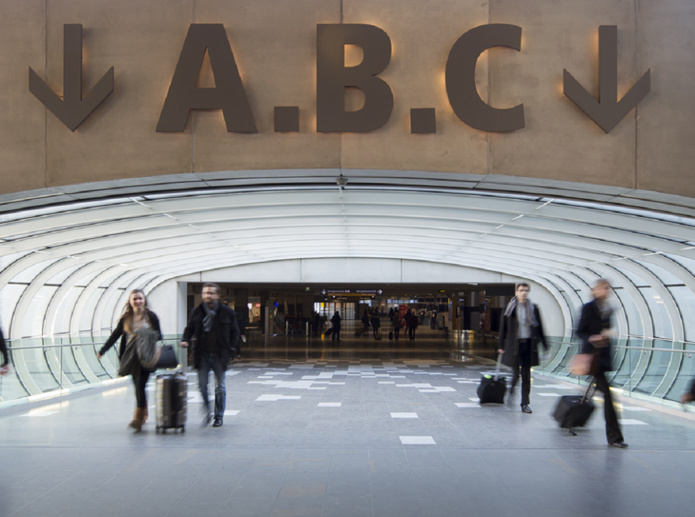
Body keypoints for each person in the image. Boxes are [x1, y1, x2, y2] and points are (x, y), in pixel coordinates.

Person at [97, 289, 162, 431]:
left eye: (140, 298)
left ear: (144, 300)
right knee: (138, 386)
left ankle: (138, 418)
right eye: (135, 299)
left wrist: (144, 335)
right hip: (131, 358)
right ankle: (143, 409)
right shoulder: (126, 318)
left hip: (146, 357)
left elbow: (159, 336)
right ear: (130, 302)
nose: (138, 301)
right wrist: (103, 350)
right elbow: (115, 335)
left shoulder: (151, 317)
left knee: (140, 385)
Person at [576, 279, 628, 448]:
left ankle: (571, 418)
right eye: (604, 288)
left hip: (602, 358)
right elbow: (580, 331)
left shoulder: (608, 308)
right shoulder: (588, 308)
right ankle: (615, 438)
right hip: (592, 359)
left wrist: (606, 336)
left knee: (593, 394)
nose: (607, 291)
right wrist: (593, 338)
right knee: (608, 397)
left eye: (608, 288)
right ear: (596, 290)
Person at [180, 283, 239, 428]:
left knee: (220, 387)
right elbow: (189, 328)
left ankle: (218, 416)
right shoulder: (196, 312)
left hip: (220, 355)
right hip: (202, 355)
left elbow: (235, 331)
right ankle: (207, 410)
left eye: (211, 293)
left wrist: (231, 349)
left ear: (217, 295)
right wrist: (185, 340)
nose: (208, 295)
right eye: (206, 293)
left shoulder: (227, 312)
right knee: (202, 386)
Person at [498, 282, 548, 414]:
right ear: (516, 292)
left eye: (526, 290)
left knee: (526, 375)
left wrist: (545, 344)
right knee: (516, 374)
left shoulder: (533, 308)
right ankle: (511, 390)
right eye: (521, 290)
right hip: (514, 346)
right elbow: (503, 329)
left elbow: (540, 327)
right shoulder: (509, 309)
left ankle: (525, 403)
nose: (523, 293)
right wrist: (500, 346)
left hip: (529, 345)